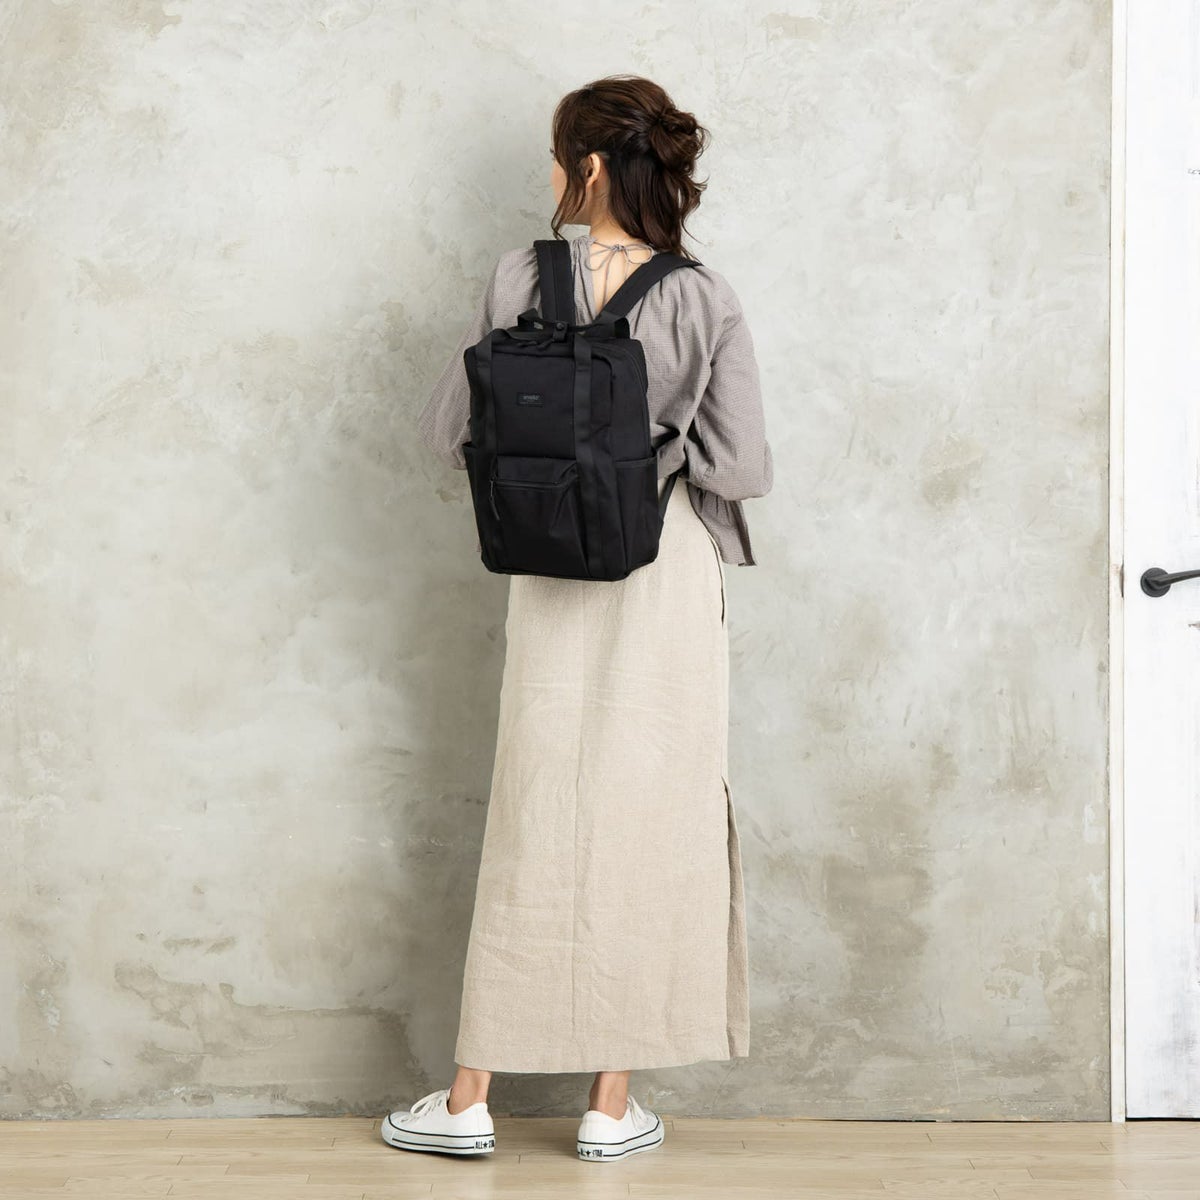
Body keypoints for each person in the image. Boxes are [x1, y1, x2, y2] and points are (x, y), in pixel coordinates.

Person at [383, 74, 773, 1163]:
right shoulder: (702, 295)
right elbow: (742, 467)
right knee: (650, 814)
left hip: (548, 574)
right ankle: (609, 1108)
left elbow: (447, 431)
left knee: (537, 813)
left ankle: (468, 1098)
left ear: (589, 168)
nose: (552, 174)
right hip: (661, 573)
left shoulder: (519, 276)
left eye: (559, 157)